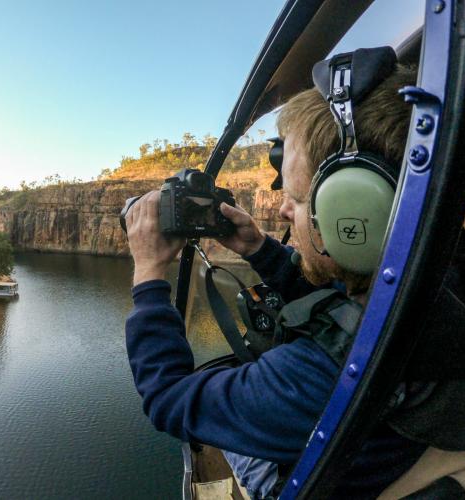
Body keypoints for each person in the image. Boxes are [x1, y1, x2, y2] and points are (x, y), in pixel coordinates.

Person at [124, 51, 427, 499]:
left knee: (237, 448)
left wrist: (149, 274)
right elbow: (339, 313)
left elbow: (168, 399)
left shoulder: (319, 372)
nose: (283, 208)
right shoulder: (432, 287)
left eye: (299, 198)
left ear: (358, 210)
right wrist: (258, 249)